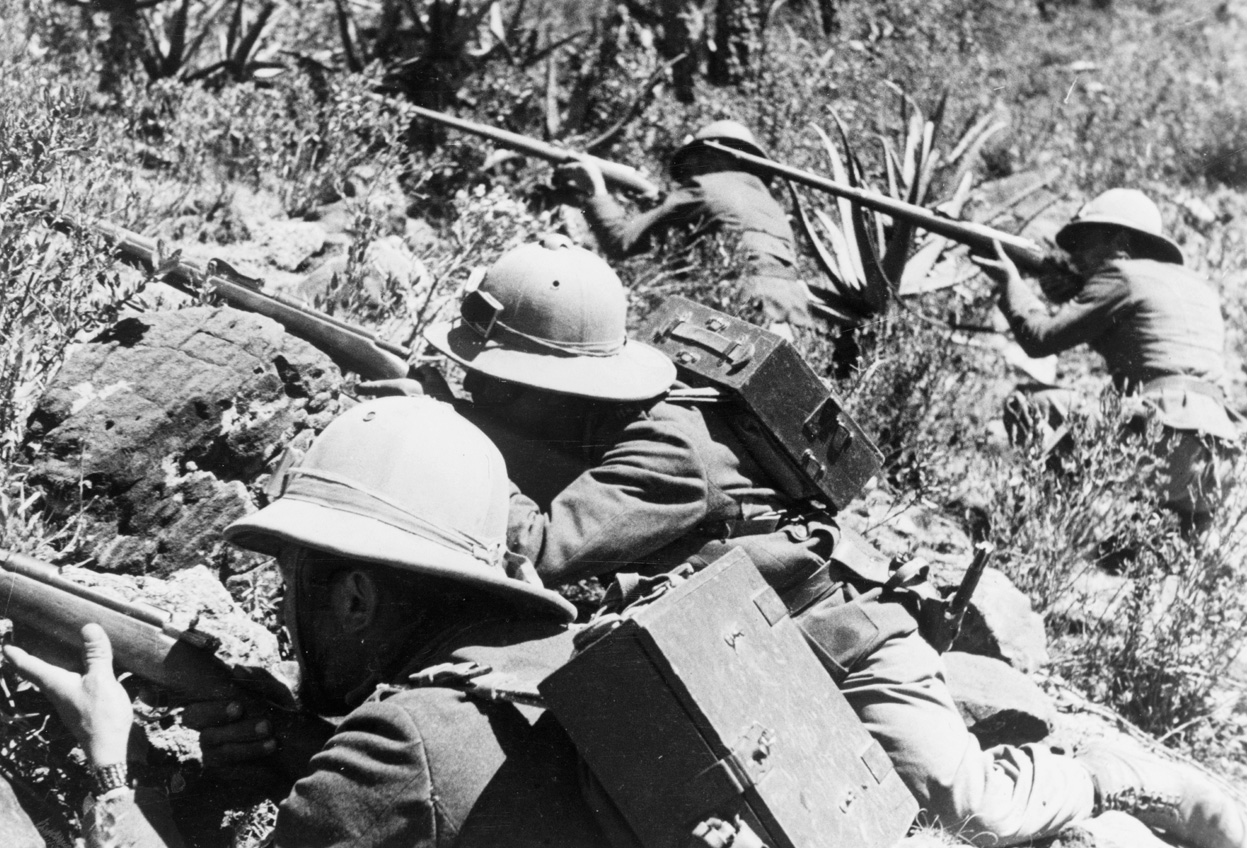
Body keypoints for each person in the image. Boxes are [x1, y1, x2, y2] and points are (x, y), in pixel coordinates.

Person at [416, 234, 1247, 848]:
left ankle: (1099, 771)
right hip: (747, 665)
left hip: (844, 649)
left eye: (498, 383)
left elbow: (540, 550)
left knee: (974, 813)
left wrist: (442, 434)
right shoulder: (618, 423)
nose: (486, 391)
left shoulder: (669, 446)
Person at [2, 396, 607, 848]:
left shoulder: (400, 745)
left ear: (354, 601)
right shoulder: (568, 658)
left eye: (290, 585)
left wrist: (116, 763)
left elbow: (414, 781)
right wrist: (301, 753)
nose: (287, 617)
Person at [975, 188, 1239, 534]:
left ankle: (1046, 528)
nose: (1076, 256)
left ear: (1119, 239)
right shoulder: (1197, 287)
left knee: (1030, 403)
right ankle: (1165, 543)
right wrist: (1074, 293)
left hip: (1163, 437)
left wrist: (1012, 283)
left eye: (1085, 243)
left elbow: (1039, 339)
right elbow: (1148, 345)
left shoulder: (1121, 276)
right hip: (1218, 462)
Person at [559, 120, 814, 334]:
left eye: (694, 159)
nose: (687, 171)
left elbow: (619, 242)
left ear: (712, 156)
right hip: (794, 314)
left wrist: (596, 190)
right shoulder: (770, 205)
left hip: (736, 309)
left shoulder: (702, 189)